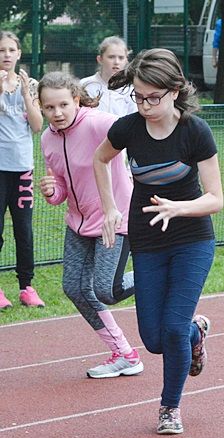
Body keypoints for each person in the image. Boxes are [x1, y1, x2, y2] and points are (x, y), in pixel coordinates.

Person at [93, 48, 223, 435]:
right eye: (139, 96)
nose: (145, 105)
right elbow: (100, 160)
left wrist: (178, 208)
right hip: (147, 239)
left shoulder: (194, 131)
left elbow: (215, 199)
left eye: (154, 97)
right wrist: (110, 208)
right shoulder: (128, 128)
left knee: (171, 325)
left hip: (192, 240)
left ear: (175, 91)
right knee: (153, 338)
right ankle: (195, 333)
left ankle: (170, 408)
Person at [38, 71, 142, 378]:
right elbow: (60, 187)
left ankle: (158, 270)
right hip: (78, 224)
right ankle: (124, 353)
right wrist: (52, 191)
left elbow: (137, 135)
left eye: (63, 105)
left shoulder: (99, 123)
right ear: (42, 108)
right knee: (74, 288)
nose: (57, 113)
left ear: (76, 100)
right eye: (49, 107)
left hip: (115, 218)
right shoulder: (47, 139)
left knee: (106, 290)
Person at [0, 31, 45, 309]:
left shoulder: (31, 85)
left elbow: (38, 126)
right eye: (1, 50)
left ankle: (26, 287)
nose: (6, 55)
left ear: (19, 54)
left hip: (22, 169)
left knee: (24, 231)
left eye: (10, 50)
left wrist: (27, 93)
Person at [80, 36, 137, 117]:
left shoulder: (131, 90)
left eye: (121, 58)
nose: (116, 62)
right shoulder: (85, 84)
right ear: (100, 59)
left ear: (126, 61)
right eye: (111, 57)